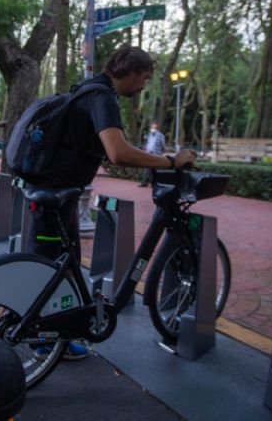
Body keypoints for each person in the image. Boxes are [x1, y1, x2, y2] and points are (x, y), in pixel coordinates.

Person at [27, 45, 197, 360]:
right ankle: (39, 338)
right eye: (144, 77)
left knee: (61, 265)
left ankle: (55, 336)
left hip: (59, 191)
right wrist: (171, 161)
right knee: (49, 267)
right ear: (130, 72)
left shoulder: (89, 91)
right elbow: (118, 152)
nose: (144, 85)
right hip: (57, 192)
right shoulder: (101, 96)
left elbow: (111, 149)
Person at [138, 121, 166, 186]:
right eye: (152, 127)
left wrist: (160, 153)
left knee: (155, 170)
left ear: (157, 128)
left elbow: (163, 146)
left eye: (154, 127)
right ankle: (145, 182)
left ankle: (154, 183)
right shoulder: (149, 135)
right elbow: (147, 144)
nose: (153, 128)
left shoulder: (161, 136)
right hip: (148, 154)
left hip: (156, 154)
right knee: (147, 168)